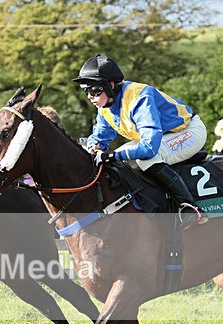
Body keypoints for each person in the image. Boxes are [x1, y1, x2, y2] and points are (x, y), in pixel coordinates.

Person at [74, 54, 208, 229]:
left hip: (188, 132)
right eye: (87, 92)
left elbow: (149, 148)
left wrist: (112, 155)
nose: (90, 97)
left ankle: (190, 208)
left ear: (111, 85)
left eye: (94, 90)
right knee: (120, 163)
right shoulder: (105, 107)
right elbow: (99, 137)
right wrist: (95, 146)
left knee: (146, 159)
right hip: (161, 138)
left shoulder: (139, 97)